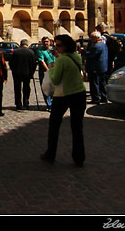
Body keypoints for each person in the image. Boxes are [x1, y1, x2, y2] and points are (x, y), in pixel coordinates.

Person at [41, 35, 87, 167]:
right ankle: (79, 158)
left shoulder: (62, 60)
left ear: (65, 46)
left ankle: (50, 154)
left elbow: (55, 80)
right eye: (55, 45)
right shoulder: (76, 56)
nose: (55, 48)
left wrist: (52, 67)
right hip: (80, 93)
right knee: (77, 127)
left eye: (59, 45)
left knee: (54, 125)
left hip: (64, 95)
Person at [9, 39, 37, 109]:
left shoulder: (16, 52)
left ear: (20, 44)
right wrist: (32, 73)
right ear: (27, 45)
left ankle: (18, 103)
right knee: (26, 88)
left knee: (17, 88)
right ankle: (26, 101)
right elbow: (34, 64)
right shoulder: (31, 52)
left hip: (17, 73)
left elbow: (11, 63)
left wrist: (13, 70)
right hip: (27, 73)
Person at [85, 31, 108, 104]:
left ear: (97, 38)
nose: (91, 39)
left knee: (94, 84)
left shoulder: (97, 46)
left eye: (92, 38)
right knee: (102, 83)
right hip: (102, 67)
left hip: (95, 68)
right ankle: (104, 97)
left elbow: (91, 55)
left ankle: (95, 99)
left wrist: (83, 52)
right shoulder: (103, 44)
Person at [36, 36, 56, 109]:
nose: (46, 43)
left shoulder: (53, 49)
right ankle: (49, 104)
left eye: (47, 41)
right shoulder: (40, 50)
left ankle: (54, 103)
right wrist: (47, 70)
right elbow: (42, 61)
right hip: (44, 72)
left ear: (50, 42)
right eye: (44, 42)